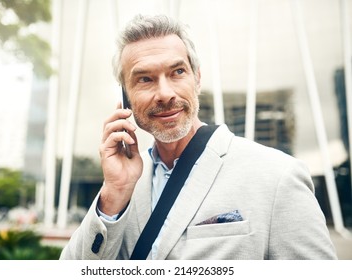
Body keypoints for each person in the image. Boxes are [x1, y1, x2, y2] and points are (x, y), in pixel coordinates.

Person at [60, 14, 337, 260]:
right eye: (145, 79)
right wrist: (114, 194)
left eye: (177, 72)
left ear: (197, 79)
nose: (165, 93)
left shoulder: (278, 177)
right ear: (126, 97)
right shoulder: (123, 183)